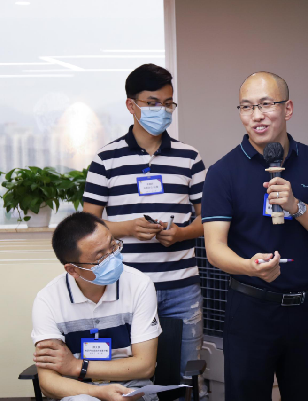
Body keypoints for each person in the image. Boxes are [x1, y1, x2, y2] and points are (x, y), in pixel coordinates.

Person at [201, 71, 308, 400]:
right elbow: (214, 249)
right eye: (247, 107)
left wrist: (296, 206)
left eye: (266, 104)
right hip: (250, 309)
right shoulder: (223, 172)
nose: (257, 115)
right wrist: (251, 267)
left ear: (287, 109)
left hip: (304, 308)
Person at [82, 64, 206, 395]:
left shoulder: (190, 157)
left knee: (183, 379)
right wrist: (126, 228)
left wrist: (181, 233)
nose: (161, 111)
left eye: (168, 103)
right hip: (125, 288)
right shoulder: (105, 160)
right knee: (127, 384)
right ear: (131, 104)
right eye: (152, 103)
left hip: (181, 289)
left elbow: (209, 221)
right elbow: (87, 226)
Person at [31, 212, 161, 401]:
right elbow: (48, 381)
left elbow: (145, 366)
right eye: (101, 257)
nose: (113, 257)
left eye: (113, 246)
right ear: (73, 269)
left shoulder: (139, 285)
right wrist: (99, 393)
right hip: (77, 393)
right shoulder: (48, 300)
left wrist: (77, 366)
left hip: (130, 390)